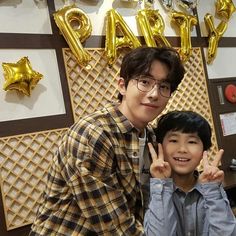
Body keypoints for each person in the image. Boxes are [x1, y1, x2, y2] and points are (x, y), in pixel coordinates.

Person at [29, 46, 185, 235]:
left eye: (164, 86)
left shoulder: (151, 136)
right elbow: (113, 226)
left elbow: (144, 205)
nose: (154, 94)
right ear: (122, 85)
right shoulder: (94, 135)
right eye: (145, 81)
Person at [144, 111, 236, 236]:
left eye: (192, 142)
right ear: (160, 146)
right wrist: (162, 185)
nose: (182, 149)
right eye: (174, 140)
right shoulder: (154, 191)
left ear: (203, 150)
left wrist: (212, 192)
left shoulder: (212, 189)